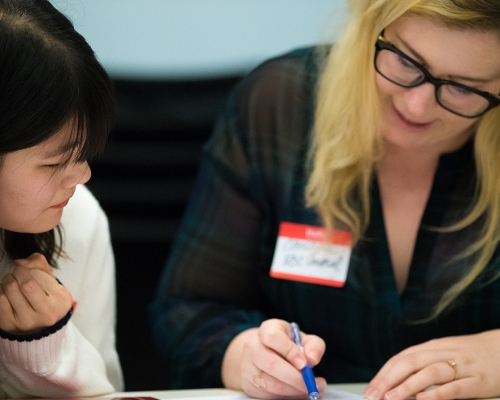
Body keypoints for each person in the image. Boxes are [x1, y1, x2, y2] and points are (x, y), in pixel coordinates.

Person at [150, 0, 500, 399]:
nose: (416, 105)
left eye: (461, 88)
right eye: (406, 61)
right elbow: (187, 311)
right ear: (370, 26)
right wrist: (247, 356)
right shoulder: (281, 105)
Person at [0, 0, 123, 397]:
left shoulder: (78, 217)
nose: (83, 175)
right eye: (55, 162)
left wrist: (44, 346)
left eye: (84, 151)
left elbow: (108, 390)